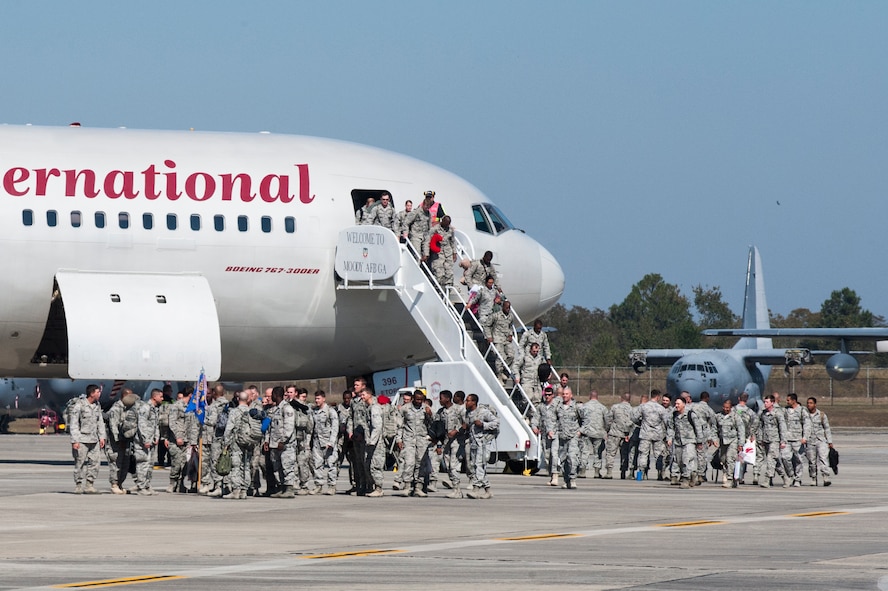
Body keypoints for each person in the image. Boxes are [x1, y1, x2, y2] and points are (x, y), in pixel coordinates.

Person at [69, 384, 106, 494]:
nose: (99, 394)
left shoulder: (97, 405)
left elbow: (100, 422)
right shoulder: (80, 405)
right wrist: (75, 440)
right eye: (98, 392)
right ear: (92, 393)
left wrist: (102, 437)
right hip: (82, 439)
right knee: (79, 463)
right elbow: (74, 424)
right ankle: (78, 485)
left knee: (95, 462)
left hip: (94, 439)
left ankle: (89, 485)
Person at [396, 390, 432, 497]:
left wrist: (430, 415)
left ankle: (418, 487)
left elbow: (433, 423)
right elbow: (399, 425)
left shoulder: (426, 408)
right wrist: (399, 439)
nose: (419, 401)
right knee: (409, 463)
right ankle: (407, 486)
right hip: (408, 439)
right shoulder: (405, 408)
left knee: (421, 463)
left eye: (421, 399)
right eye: (417, 399)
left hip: (422, 440)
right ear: (413, 398)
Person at [464, 393, 498, 499]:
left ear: (474, 402)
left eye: (468, 400)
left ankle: (476, 488)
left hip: (483, 443)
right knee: (477, 466)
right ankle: (488, 490)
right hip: (474, 443)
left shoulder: (483, 412)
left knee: (479, 465)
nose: (466, 403)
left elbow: (496, 423)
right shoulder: (468, 413)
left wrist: (483, 424)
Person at [630, 390, 669, 481]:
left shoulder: (643, 407)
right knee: (658, 455)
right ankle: (660, 474)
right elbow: (667, 422)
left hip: (645, 433)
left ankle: (640, 475)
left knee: (643, 454)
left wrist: (641, 423)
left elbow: (634, 418)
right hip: (657, 434)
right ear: (658, 397)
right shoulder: (661, 408)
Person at [666, 397, 703, 489]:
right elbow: (671, 427)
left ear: (684, 404)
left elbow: (698, 428)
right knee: (679, 461)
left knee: (686, 459)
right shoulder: (674, 415)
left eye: (678, 404)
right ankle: (693, 474)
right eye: (675, 404)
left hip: (689, 441)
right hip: (678, 442)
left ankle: (686, 480)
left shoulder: (691, 414)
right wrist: (669, 438)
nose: (676, 405)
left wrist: (699, 441)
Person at [435, 390, 466, 499]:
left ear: (447, 399)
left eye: (441, 398)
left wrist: (456, 431)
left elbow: (466, 423)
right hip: (446, 442)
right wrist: (439, 445)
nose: (440, 400)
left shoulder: (459, 409)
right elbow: (438, 429)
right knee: (448, 466)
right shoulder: (440, 412)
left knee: (454, 465)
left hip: (457, 441)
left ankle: (457, 490)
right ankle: (455, 488)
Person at [268, 387, 297, 498]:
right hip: (274, 443)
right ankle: (281, 487)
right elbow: (271, 427)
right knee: (277, 466)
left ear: (276, 395)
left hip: (285, 445)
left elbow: (289, 426)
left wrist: (283, 440)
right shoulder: (276, 409)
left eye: (272, 394)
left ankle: (289, 489)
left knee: (287, 465)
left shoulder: (287, 408)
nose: (271, 397)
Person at [222, 391, 252, 499]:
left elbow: (228, 429)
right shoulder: (252, 412)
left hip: (236, 443)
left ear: (238, 399)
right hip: (249, 442)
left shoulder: (234, 412)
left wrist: (226, 443)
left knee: (236, 466)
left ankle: (236, 491)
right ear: (248, 400)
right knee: (246, 466)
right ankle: (244, 491)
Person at [132, 388, 162, 495]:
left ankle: (147, 485)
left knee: (150, 464)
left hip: (151, 441)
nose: (162, 398)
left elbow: (156, 425)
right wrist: (145, 440)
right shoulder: (145, 408)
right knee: (143, 463)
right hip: (143, 442)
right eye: (160, 396)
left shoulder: (154, 409)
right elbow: (142, 425)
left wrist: (156, 437)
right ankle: (141, 487)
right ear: (154, 397)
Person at [311, 390, 340, 495]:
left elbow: (335, 428)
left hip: (328, 442)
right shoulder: (314, 411)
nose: (317, 400)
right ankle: (318, 485)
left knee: (331, 464)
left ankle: (332, 486)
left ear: (324, 399)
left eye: (318, 398)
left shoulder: (330, 411)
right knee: (317, 464)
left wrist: (331, 442)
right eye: (316, 398)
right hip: (317, 442)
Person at [756, 395, 788, 488]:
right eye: (764, 402)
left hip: (775, 440)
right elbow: (761, 427)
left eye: (767, 402)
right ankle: (785, 477)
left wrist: (783, 441)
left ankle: (767, 480)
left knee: (771, 459)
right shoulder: (763, 413)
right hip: (766, 440)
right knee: (775, 461)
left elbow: (782, 427)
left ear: (772, 403)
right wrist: (760, 439)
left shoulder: (778, 413)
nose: (765, 404)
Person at [531, 385, 561, 485]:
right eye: (546, 395)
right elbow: (536, 417)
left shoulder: (557, 406)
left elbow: (561, 419)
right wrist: (534, 426)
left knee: (554, 454)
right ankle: (552, 475)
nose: (547, 396)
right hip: (545, 435)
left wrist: (556, 430)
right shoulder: (541, 406)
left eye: (549, 395)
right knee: (547, 456)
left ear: (553, 395)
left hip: (555, 434)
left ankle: (555, 475)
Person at [554, 386, 583, 489]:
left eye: (567, 394)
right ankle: (566, 480)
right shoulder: (558, 407)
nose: (565, 396)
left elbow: (585, 419)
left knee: (572, 457)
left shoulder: (576, 407)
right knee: (563, 460)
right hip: (562, 437)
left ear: (571, 395)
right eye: (563, 394)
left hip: (573, 437)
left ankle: (573, 478)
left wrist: (580, 431)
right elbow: (554, 420)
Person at [715, 400, 745, 488]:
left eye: (727, 408)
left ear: (731, 408)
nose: (725, 409)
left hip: (733, 440)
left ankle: (729, 479)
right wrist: (714, 439)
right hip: (723, 441)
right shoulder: (718, 416)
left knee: (730, 459)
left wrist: (741, 444)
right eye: (724, 407)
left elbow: (741, 430)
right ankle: (733, 476)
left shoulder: (735, 417)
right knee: (723, 459)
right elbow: (714, 428)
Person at [579, 390, 609, 478]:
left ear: (590, 396)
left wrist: (581, 428)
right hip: (598, 433)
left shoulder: (584, 407)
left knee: (585, 452)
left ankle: (582, 471)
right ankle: (596, 472)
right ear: (597, 397)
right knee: (598, 453)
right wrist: (605, 431)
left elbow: (580, 418)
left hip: (586, 432)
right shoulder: (603, 408)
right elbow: (607, 421)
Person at [362, 389, 386, 497]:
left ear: (369, 395)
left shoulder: (375, 408)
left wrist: (372, 441)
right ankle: (372, 487)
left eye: (364, 395)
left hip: (376, 443)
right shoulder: (369, 407)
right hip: (370, 442)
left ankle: (379, 488)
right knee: (368, 465)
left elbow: (377, 426)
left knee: (376, 466)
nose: (362, 397)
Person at [486, 299, 517, 384]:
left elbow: (510, 326)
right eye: (506, 307)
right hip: (497, 339)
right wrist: (489, 336)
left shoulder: (510, 316)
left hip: (506, 339)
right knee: (500, 357)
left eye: (509, 308)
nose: (508, 309)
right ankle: (499, 375)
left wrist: (510, 334)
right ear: (503, 307)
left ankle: (502, 369)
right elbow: (487, 325)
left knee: (511, 356)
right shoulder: (496, 316)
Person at [604, 392, 633, 479]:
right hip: (626, 435)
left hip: (614, 433)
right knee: (625, 454)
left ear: (621, 398)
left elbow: (608, 420)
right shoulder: (632, 409)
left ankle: (609, 472)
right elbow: (633, 423)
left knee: (610, 453)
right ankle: (623, 472)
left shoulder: (615, 407)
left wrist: (607, 430)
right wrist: (629, 433)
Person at [805, 396, 833, 486]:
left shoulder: (821, 415)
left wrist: (830, 441)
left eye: (811, 403)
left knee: (823, 459)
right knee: (811, 461)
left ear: (815, 404)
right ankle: (813, 478)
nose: (809, 405)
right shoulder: (805, 415)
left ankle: (826, 477)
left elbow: (827, 428)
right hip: (810, 441)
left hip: (821, 440)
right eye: (808, 403)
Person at [781, 393, 808, 487]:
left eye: (788, 400)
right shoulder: (785, 410)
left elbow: (807, 424)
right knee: (785, 457)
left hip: (798, 439)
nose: (787, 402)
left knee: (799, 460)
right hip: (787, 439)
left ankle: (798, 479)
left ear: (794, 401)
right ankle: (790, 475)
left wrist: (805, 437)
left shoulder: (802, 410)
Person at [424, 215, 456, 288]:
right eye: (446, 224)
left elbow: (453, 242)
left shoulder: (450, 229)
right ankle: (438, 289)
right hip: (438, 254)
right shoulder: (435, 229)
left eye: (449, 224)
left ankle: (448, 290)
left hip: (448, 253)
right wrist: (426, 253)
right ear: (443, 221)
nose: (447, 226)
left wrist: (454, 253)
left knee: (449, 273)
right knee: (439, 273)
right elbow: (427, 241)